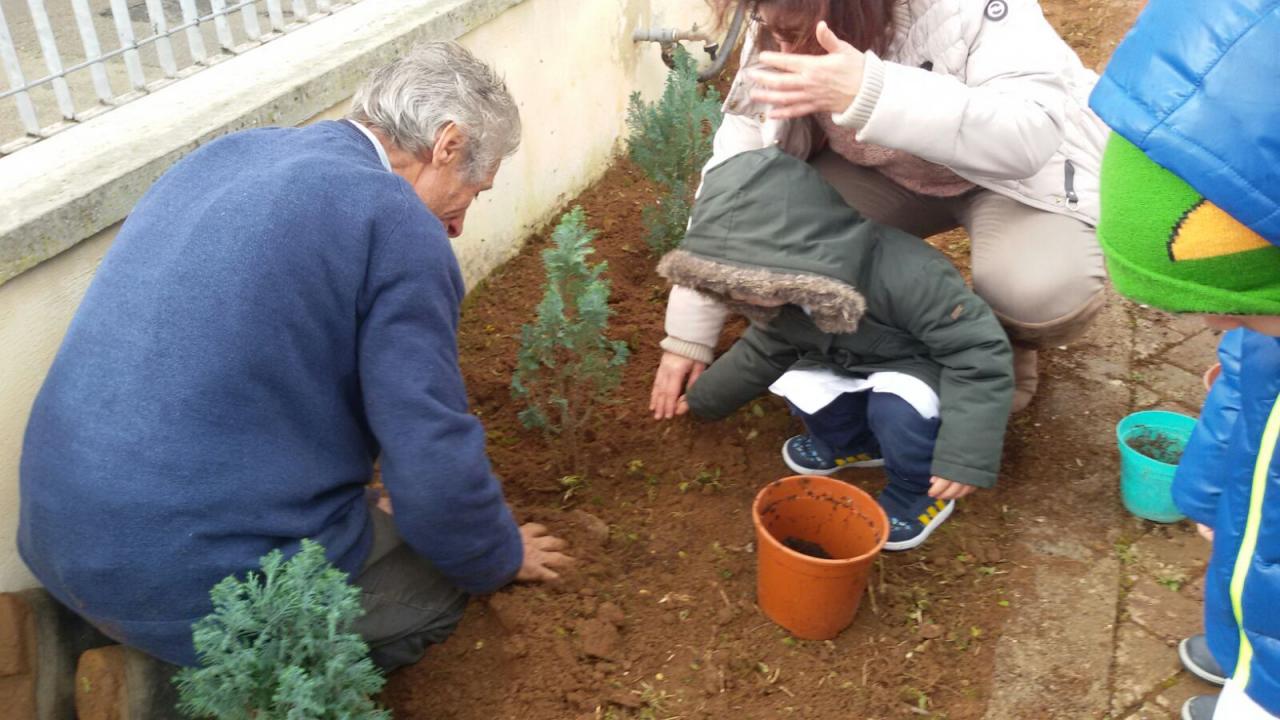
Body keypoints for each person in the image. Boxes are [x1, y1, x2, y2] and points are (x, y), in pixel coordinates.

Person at [7, 41, 571, 715]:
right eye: (472, 192)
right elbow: (431, 459)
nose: (456, 223)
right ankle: (163, 693)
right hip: (189, 571)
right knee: (435, 591)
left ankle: (51, 634)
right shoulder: (394, 223)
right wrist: (494, 554)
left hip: (54, 532)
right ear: (447, 144)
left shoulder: (229, 154)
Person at [651, 0, 1110, 422]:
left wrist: (872, 90)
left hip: (1016, 179)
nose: (783, 43)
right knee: (770, 252)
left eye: (795, 30)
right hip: (892, 175)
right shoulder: (782, 20)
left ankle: (1003, 342)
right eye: (771, 26)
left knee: (1039, 290)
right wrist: (687, 336)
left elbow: (1027, 133)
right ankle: (888, 345)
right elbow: (737, 179)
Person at [659, 146, 1013, 550]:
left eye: (749, 282)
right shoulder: (790, 295)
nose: (742, 296)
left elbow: (977, 353)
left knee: (897, 409)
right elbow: (764, 350)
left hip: (917, 366)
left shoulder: (910, 276)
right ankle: (853, 444)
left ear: (802, 251)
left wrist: (965, 455)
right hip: (851, 361)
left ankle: (916, 489)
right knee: (802, 383)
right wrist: (702, 400)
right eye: (730, 285)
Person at [1089, 1, 1280, 716]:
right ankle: (1237, 658)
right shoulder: (1263, 342)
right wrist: (1201, 492)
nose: (1222, 326)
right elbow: (1238, 390)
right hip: (1256, 554)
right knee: (1244, 582)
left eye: (1237, 311)